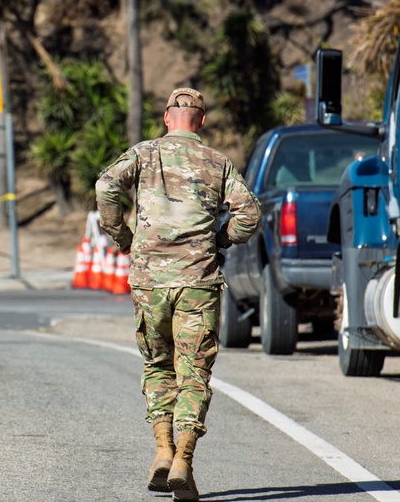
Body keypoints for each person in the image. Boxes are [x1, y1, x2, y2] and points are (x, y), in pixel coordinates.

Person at [95, 87, 261, 501]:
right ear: (201, 122)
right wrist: (219, 239)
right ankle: (184, 459)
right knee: (194, 374)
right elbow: (250, 214)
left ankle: (163, 451)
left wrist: (124, 236)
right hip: (198, 283)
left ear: (168, 118)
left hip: (149, 281)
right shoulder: (218, 163)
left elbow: (105, 187)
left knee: (157, 366)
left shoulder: (144, 153)